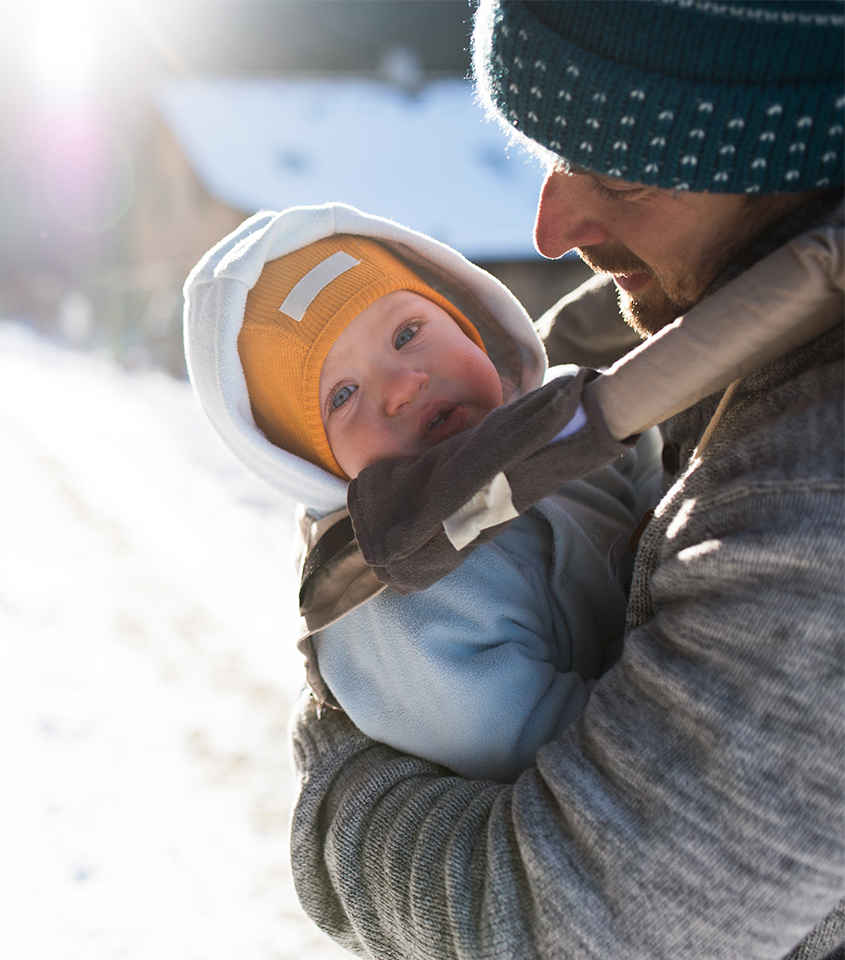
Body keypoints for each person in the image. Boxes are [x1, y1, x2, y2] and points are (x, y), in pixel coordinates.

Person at [287, 2, 845, 958]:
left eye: (621, 176)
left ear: (793, 156)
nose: (550, 229)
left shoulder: (809, 503)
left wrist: (338, 807)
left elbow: (572, 931)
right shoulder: (654, 358)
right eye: (549, 153)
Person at [183, 205, 662, 783]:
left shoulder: (570, 416)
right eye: (342, 395)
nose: (404, 387)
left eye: (408, 333)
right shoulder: (390, 614)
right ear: (309, 466)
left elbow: (668, 493)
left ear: (463, 319)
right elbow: (565, 759)